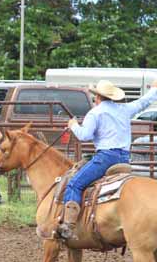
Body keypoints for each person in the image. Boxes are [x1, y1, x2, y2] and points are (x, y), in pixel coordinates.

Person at [57, 79, 157, 239]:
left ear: (97, 97)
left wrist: (73, 125)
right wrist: (154, 89)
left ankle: (68, 226)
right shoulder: (124, 109)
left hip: (105, 158)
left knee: (75, 184)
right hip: (125, 159)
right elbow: (143, 102)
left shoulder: (95, 113)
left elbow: (84, 136)